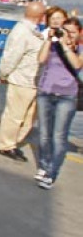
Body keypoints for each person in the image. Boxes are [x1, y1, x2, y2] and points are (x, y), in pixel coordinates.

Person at [0, 1, 46, 163]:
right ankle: (6, 145)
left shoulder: (32, 31)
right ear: (39, 16)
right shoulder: (22, 32)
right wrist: (3, 74)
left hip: (33, 80)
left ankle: (14, 141)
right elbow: (11, 57)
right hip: (22, 80)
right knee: (15, 115)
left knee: (29, 116)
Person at [34, 13, 81, 189]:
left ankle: (51, 172)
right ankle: (44, 165)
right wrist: (49, 39)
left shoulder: (80, 48)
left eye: (73, 32)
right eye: (65, 31)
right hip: (46, 93)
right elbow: (40, 59)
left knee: (58, 136)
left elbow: (77, 65)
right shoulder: (54, 45)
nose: (69, 35)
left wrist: (65, 45)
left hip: (67, 96)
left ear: (79, 33)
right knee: (44, 134)